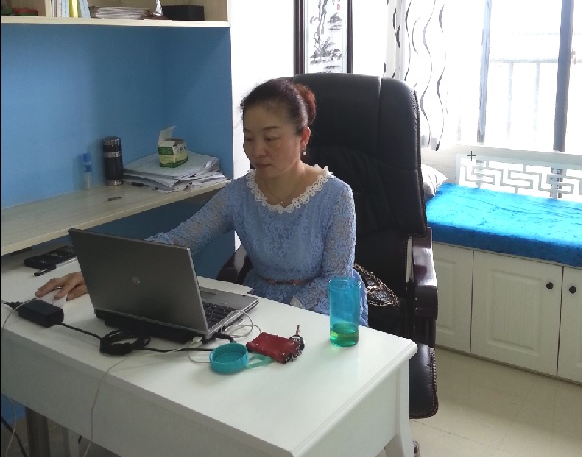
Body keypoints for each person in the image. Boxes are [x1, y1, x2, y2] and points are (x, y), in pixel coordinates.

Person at [36, 77, 368, 326]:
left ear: (303, 137)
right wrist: (104, 272)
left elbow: (335, 279)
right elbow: (179, 241)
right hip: (262, 303)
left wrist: (287, 312)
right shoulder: (239, 195)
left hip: (322, 308)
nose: (257, 150)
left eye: (270, 138)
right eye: (249, 138)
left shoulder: (336, 197)